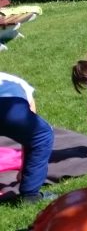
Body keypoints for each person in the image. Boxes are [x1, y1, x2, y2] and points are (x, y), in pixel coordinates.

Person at [0, 72, 55, 204]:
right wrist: (24, 170)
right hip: (9, 106)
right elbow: (31, 138)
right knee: (42, 136)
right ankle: (30, 195)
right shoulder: (19, 83)